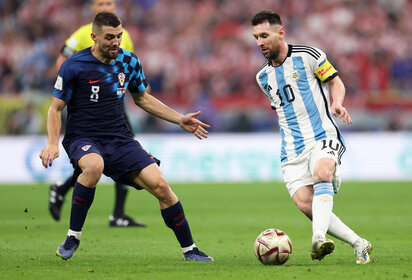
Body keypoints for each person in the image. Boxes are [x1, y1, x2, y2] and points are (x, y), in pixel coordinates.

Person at [39, 12, 213, 262]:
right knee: (94, 166)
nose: (116, 42)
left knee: (161, 186)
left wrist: (179, 119)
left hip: (120, 140)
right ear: (94, 37)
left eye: (119, 36)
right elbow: (55, 108)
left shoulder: (129, 61)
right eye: (109, 37)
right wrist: (53, 144)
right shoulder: (74, 65)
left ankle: (190, 250)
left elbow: (142, 98)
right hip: (83, 137)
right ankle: (72, 237)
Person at [251, 10, 372, 264]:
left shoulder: (309, 55)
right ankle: (359, 243)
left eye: (264, 35)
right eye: (256, 38)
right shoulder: (262, 78)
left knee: (322, 173)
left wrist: (337, 103)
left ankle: (317, 239)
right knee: (307, 206)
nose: (260, 42)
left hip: (322, 135)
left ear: (280, 32)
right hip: (292, 150)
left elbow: (336, 83)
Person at [48, 0, 144, 227]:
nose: (105, 7)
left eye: (109, 2)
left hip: (115, 106)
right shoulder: (81, 34)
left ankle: (117, 212)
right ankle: (110, 212)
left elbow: (128, 70)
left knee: (121, 151)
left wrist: (138, 90)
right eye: (100, 3)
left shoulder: (124, 36)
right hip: (88, 105)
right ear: (92, 8)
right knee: (93, 162)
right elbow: (61, 62)